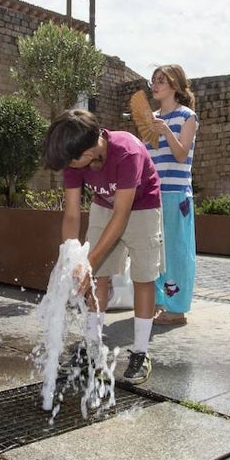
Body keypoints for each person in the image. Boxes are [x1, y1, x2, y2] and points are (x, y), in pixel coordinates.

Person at [43, 109, 164, 383]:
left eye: (71, 161)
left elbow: (122, 215)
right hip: (104, 206)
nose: (69, 165)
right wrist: (71, 257)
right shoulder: (74, 161)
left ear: (86, 152)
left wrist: (89, 261)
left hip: (142, 207)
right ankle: (92, 349)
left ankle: (141, 352)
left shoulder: (127, 151)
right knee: (97, 278)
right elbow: (72, 214)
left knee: (143, 277)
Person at [144, 64, 199, 326]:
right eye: (153, 80)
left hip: (176, 194)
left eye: (161, 81)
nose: (154, 85)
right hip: (152, 194)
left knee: (176, 251)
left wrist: (166, 131)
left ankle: (177, 309)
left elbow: (181, 155)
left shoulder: (187, 117)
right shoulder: (151, 118)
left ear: (174, 86)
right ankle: (158, 302)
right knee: (154, 250)